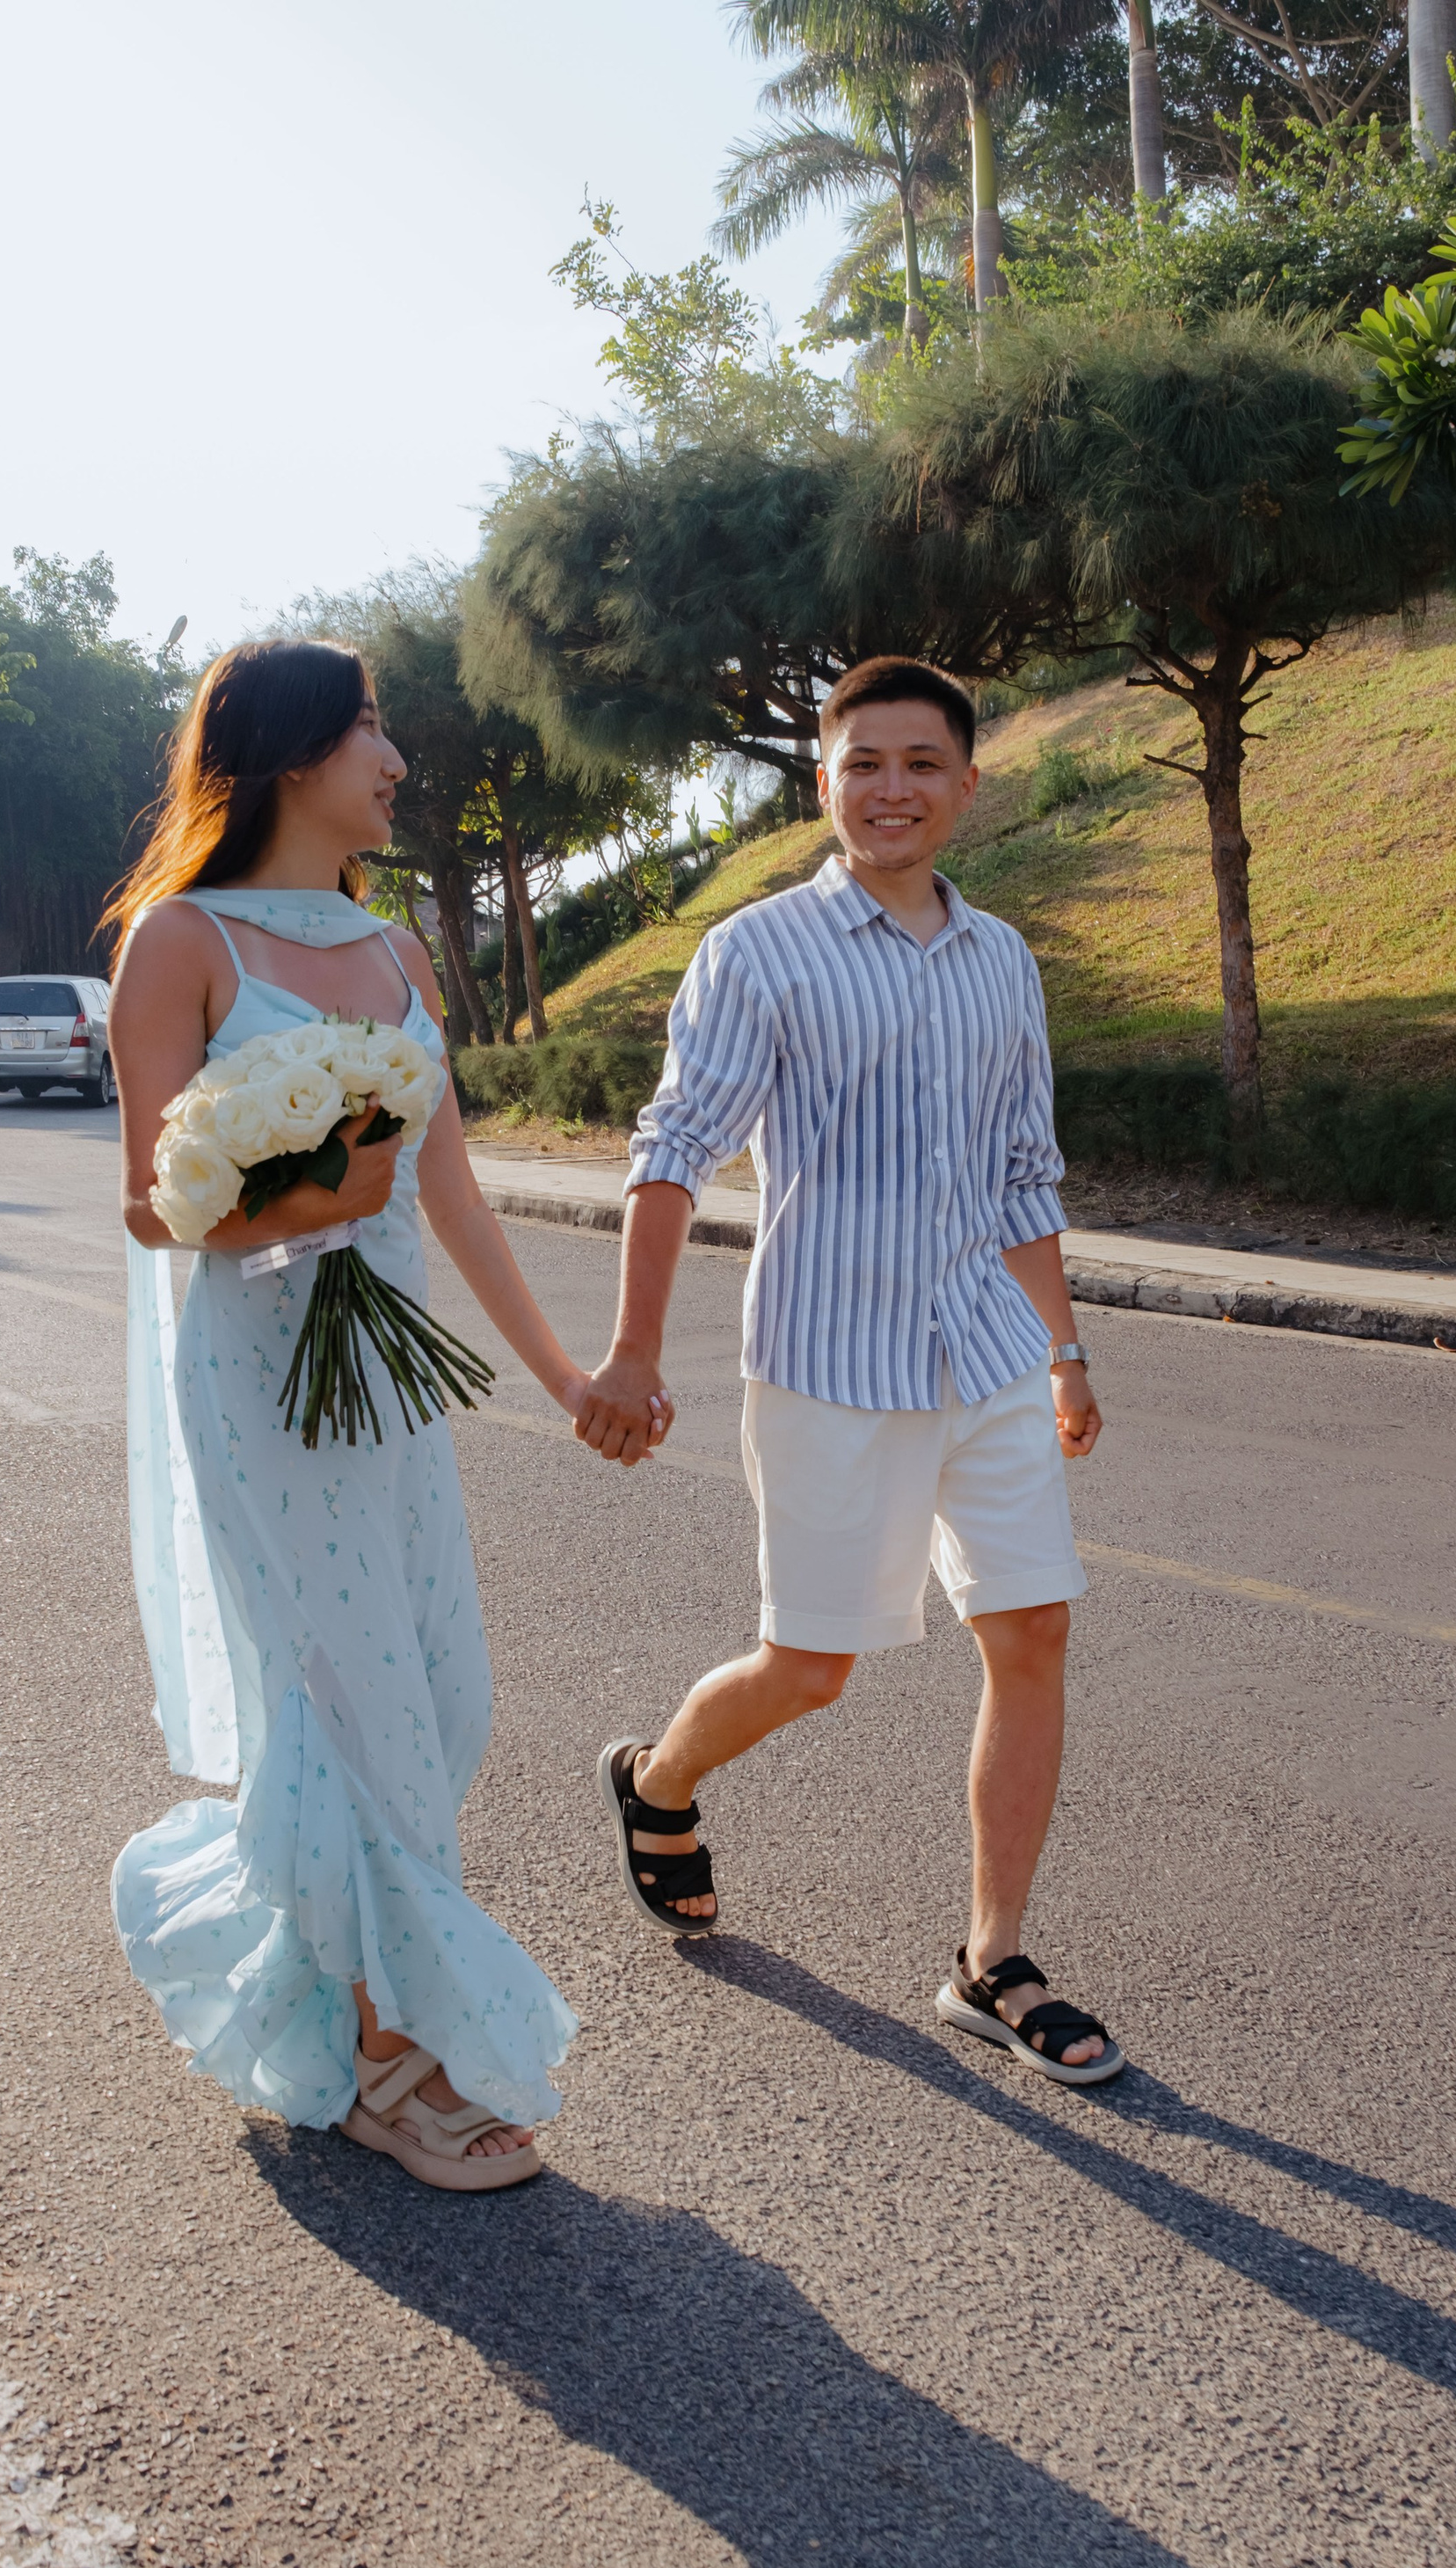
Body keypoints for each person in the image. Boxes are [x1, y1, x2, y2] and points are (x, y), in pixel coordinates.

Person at [106, 639, 653, 2191]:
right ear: (292, 755)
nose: (396, 758)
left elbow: (455, 1193)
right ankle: (388, 2059)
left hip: (387, 1381)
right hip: (259, 1381)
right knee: (352, 1710)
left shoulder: (398, 949)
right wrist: (304, 1194)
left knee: (441, 1693)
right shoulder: (180, 941)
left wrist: (567, 1379)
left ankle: (331, 1982)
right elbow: (149, 1203)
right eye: (368, 729)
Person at [580, 654, 1123, 2084]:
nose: (893, 789)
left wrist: (1064, 1349)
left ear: (967, 785)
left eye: (921, 763)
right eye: (864, 763)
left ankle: (994, 1959)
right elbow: (675, 1149)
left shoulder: (1002, 959)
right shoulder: (758, 951)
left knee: (1034, 1630)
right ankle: (660, 1779)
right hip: (831, 1359)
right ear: (823, 783)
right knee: (812, 1667)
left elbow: (1022, 1176)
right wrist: (633, 1348)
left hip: (987, 1350)